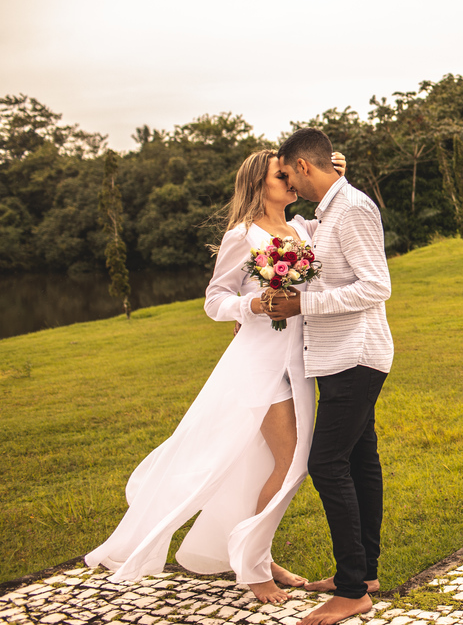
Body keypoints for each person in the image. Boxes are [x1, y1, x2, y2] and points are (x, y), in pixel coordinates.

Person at [86, 149, 345, 603]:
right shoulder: (242, 236)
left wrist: (335, 174)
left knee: (267, 465)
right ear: (258, 184)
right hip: (259, 363)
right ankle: (253, 568)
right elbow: (214, 300)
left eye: (290, 172)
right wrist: (253, 304)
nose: (289, 179)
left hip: (300, 363)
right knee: (293, 464)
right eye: (279, 174)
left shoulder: (304, 229)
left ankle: (253, 553)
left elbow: (340, 225)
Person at [267, 128, 392, 625]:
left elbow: (376, 286)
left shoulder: (353, 208)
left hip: (356, 356)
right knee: (361, 460)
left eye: (287, 174)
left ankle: (351, 589)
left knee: (327, 463)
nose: (288, 185)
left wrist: (304, 302)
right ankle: (366, 573)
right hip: (339, 356)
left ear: (301, 166)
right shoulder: (330, 211)